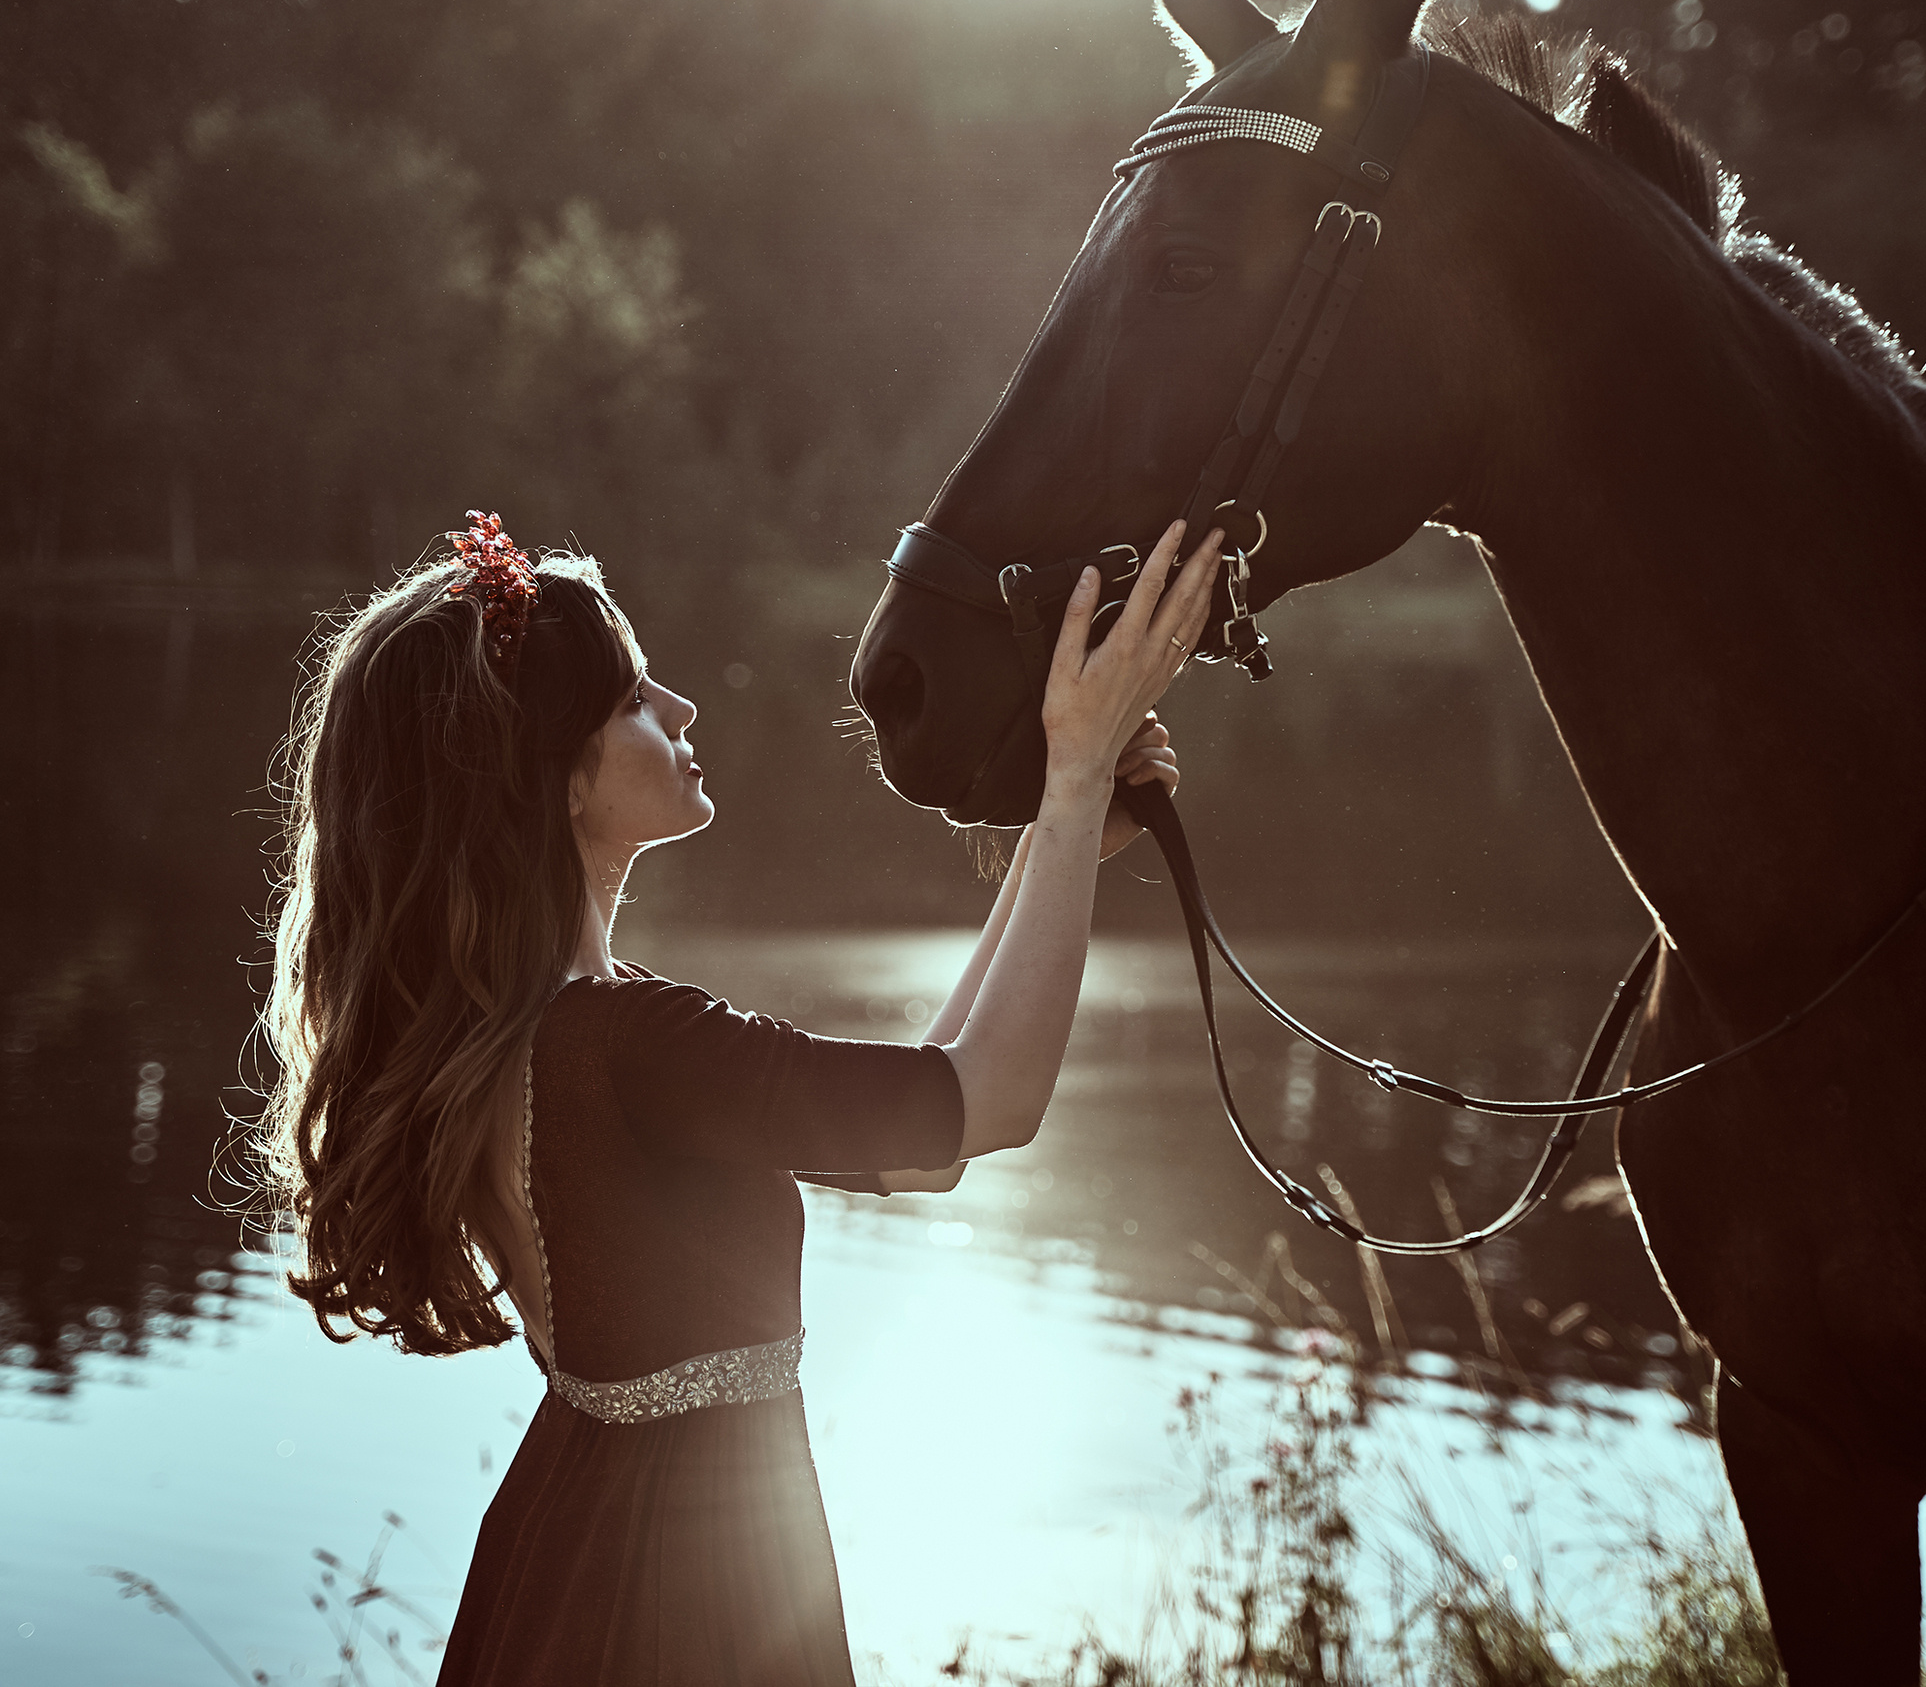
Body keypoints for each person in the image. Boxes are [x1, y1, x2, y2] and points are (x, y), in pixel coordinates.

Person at [254, 508, 1222, 1685]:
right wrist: (1071, 774)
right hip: (691, 1589)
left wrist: (1054, 843)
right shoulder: (626, 1040)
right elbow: (983, 1106)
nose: (684, 712)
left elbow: (925, 1117)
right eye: (633, 703)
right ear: (554, 781)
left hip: (571, 1535)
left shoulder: (522, 1028)